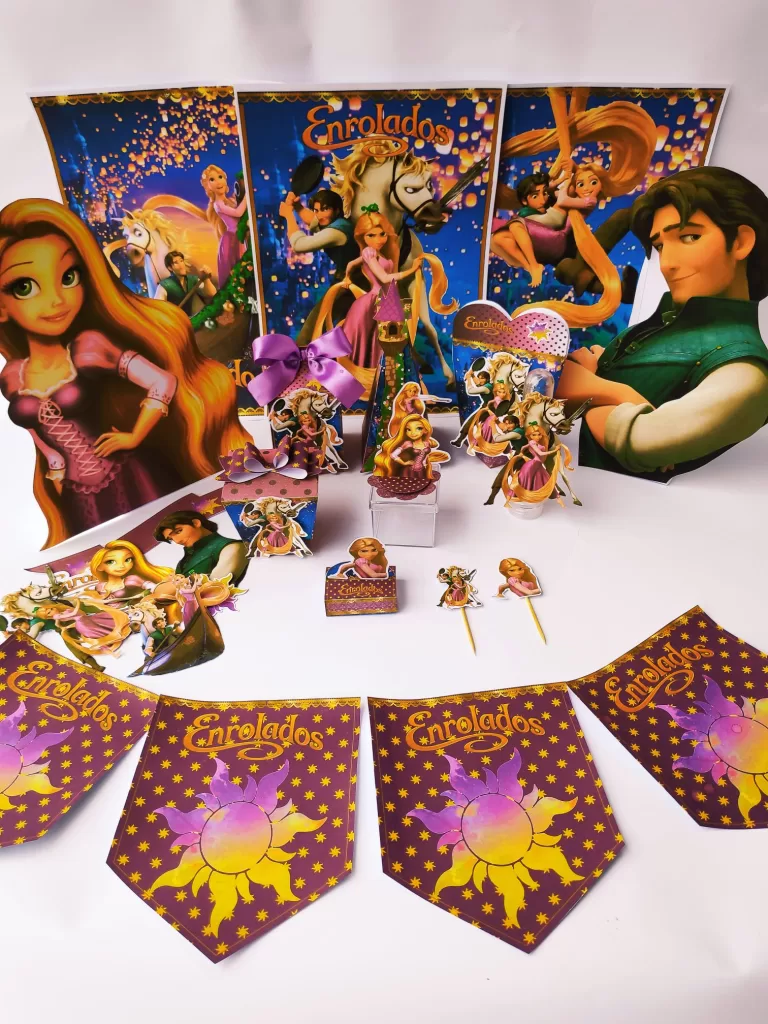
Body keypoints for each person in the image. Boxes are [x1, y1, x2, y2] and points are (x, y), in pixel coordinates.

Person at [0, 199, 251, 548]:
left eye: (69, 277)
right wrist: (55, 465)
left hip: (128, 477)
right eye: (24, 287)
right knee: (111, 561)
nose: (57, 300)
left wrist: (134, 435)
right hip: (74, 492)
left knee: (165, 547)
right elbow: (36, 430)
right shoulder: (13, 375)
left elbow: (163, 381)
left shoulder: (88, 347)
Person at [558, 166, 768, 480]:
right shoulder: (667, 322)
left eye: (689, 237)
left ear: (740, 242)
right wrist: (618, 394)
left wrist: (591, 387)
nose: (667, 263)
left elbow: (640, 443)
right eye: (660, 246)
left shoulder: (746, 374)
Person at [154, 511, 249, 584]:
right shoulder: (183, 562)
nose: (177, 541)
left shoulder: (232, 547)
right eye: (171, 539)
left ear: (196, 523)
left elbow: (217, 585)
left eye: (178, 531)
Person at [201, 164, 247, 286]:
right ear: (208, 186)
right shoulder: (218, 205)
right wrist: (248, 196)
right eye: (212, 179)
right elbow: (238, 213)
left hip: (240, 236)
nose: (218, 182)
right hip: (232, 240)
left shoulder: (231, 199)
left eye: (220, 177)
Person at [154, 251, 216, 315]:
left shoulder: (192, 279)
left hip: (189, 318)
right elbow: (157, 308)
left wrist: (206, 279)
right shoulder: (165, 285)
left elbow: (212, 293)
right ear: (170, 268)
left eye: (181, 261)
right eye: (176, 262)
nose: (181, 265)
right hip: (174, 318)